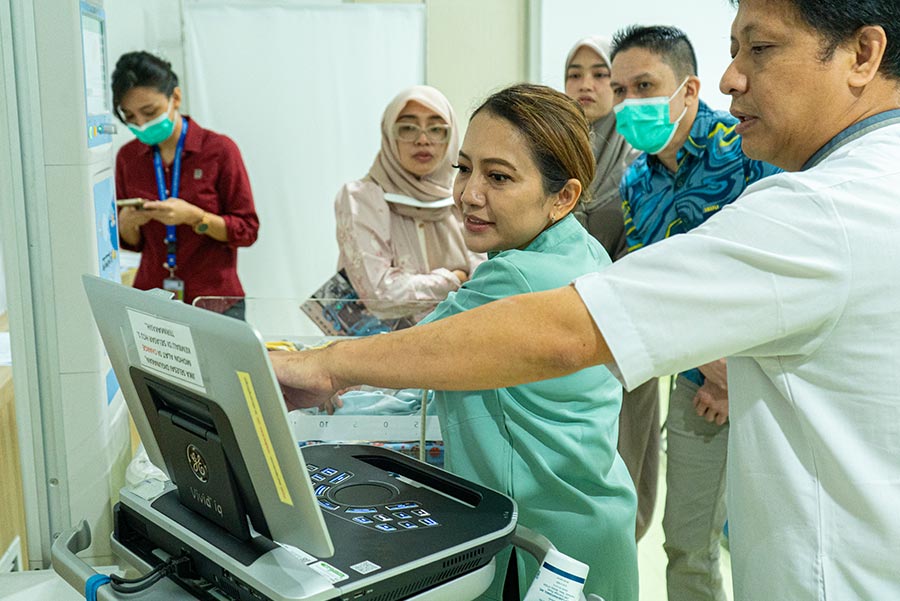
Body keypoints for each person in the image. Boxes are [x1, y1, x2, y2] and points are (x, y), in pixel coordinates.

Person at [271, 1, 900, 599]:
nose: (733, 78)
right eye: (466, 169)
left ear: (863, 54)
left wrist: (329, 364)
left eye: (760, 48)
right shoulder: (618, 212)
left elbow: (567, 331)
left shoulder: (818, 212)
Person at [325, 84, 639, 601]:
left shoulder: (514, 279)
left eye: (498, 177)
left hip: (537, 542)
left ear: (563, 196)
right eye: (464, 168)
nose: (470, 193)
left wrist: (325, 371)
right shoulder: (580, 250)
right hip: (590, 514)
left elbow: (420, 352)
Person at [609, 25, 780, 601]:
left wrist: (738, 366)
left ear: (689, 89)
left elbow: (779, 263)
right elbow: (654, 287)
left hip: (779, 374)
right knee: (687, 542)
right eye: (621, 90)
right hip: (697, 386)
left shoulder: (749, 146)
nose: (632, 103)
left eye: (645, 85)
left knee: (778, 545)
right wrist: (710, 367)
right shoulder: (635, 180)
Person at [564, 35, 659, 543]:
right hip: (561, 329)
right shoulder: (555, 152)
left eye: (600, 74)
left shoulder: (639, 159)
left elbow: (648, 242)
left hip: (624, 329)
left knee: (624, 455)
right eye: (574, 73)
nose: (585, 84)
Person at [112, 51, 258, 310]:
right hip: (153, 301)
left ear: (175, 98)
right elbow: (133, 244)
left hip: (215, 302)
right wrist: (127, 224)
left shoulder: (219, 151)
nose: (142, 124)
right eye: (130, 117)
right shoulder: (128, 158)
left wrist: (196, 218)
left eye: (149, 111)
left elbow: (247, 231)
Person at [334, 86, 483, 320]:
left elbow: (484, 284)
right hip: (379, 348)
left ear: (451, 137)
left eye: (436, 129)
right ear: (389, 134)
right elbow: (378, 295)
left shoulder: (465, 195)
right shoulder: (361, 197)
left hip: (456, 344)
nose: (423, 140)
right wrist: (454, 280)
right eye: (407, 128)